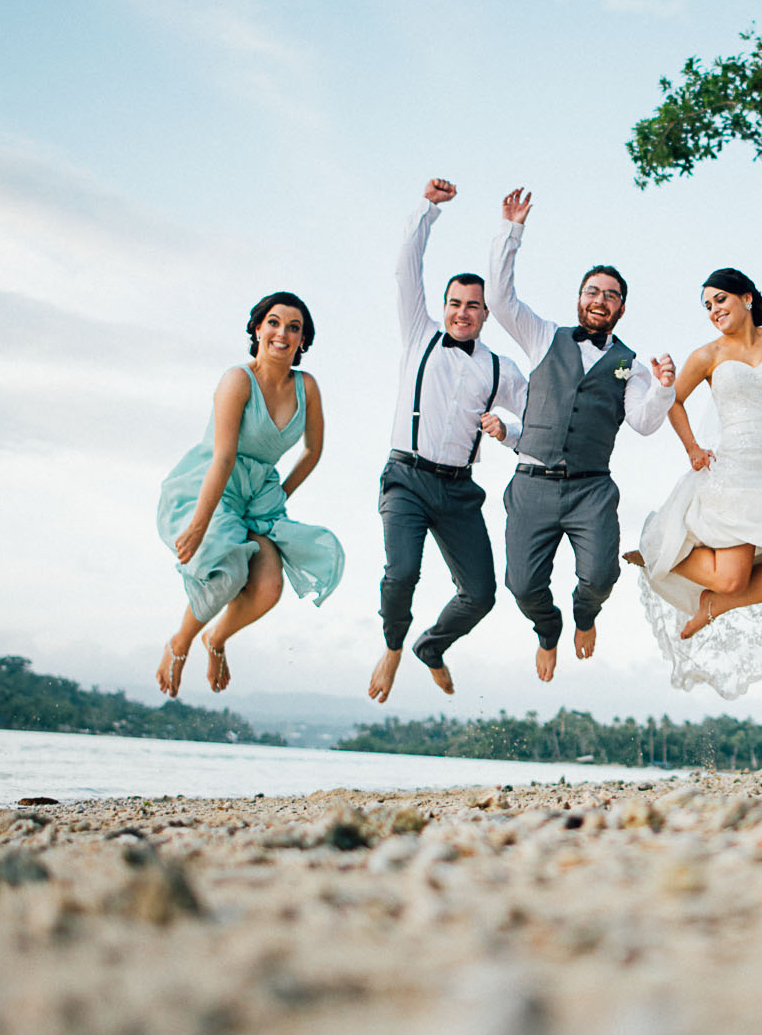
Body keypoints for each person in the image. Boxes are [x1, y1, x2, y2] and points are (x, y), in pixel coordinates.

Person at [485, 188, 676, 681]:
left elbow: (644, 422)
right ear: (579, 299)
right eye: (593, 291)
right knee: (523, 586)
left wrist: (663, 389)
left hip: (591, 487)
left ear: (621, 309)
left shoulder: (631, 364)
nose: (601, 299)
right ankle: (548, 630)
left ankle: (585, 617)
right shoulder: (543, 335)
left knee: (601, 575)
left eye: (611, 294)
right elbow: (500, 299)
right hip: (532, 483)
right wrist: (512, 231)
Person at [624, 268, 762, 697]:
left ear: (746, 299)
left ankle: (713, 606)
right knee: (732, 576)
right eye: (707, 305)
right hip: (737, 470)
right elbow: (673, 401)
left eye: (720, 300)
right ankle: (658, 553)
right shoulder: (707, 355)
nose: (713, 310)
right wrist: (693, 449)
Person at [367, 178, 530, 703]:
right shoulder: (419, 333)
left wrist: (509, 433)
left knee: (481, 595)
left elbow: (537, 420)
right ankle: (393, 645)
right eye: (455, 303)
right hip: (407, 479)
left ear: (485, 314)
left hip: (459, 491)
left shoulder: (500, 368)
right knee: (402, 572)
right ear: (443, 306)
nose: (463, 311)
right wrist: (427, 209)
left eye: (474, 305)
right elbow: (404, 267)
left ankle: (430, 647)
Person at [154, 293, 344, 695]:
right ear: (258, 328)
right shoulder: (237, 380)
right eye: (274, 322)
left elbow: (313, 451)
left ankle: (216, 640)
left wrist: (279, 497)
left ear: (302, 341)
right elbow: (222, 459)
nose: (282, 333)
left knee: (268, 588)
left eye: (294, 328)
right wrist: (199, 527)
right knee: (230, 573)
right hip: (211, 487)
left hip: (258, 497)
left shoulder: (306, 387)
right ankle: (181, 641)